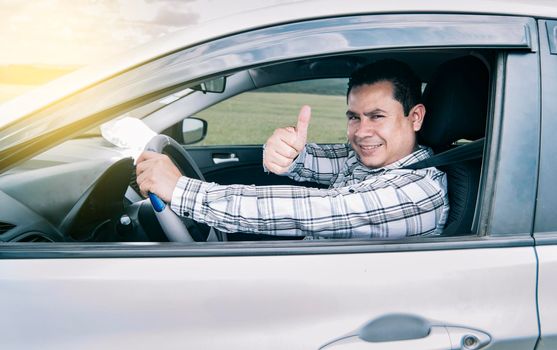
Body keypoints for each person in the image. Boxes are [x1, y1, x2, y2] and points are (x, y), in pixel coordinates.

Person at [136, 59, 449, 239]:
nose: (362, 132)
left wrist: (182, 191)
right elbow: (314, 160)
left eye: (377, 117)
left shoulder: (419, 190)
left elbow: (314, 210)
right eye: (354, 117)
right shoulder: (370, 160)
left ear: (415, 117)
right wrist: (288, 152)